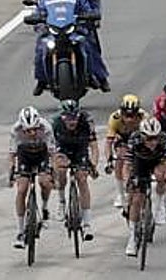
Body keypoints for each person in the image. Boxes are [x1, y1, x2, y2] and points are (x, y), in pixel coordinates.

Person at [30, 0, 95, 96]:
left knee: (88, 45)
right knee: (40, 49)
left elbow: (88, 10)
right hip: (53, 32)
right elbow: (39, 11)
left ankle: (90, 75)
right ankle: (41, 80)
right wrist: (36, 19)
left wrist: (89, 16)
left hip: (74, 31)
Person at [123, 116, 166, 256]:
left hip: (158, 161)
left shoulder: (164, 140)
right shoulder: (134, 139)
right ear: (142, 136)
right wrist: (128, 181)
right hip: (140, 163)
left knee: (159, 175)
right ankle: (132, 238)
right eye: (149, 139)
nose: (153, 142)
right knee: (137, 199)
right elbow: (127, 165)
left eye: (155, 138)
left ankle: (160, 205)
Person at [8, 106, 56, 249]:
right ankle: (21, 231)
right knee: (22, 189)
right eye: (28, 131)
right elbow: (12, 154)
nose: (32, 133)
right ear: (22, 128)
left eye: (35, 129)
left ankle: (45, 207)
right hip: (25, 156)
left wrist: (52, 170)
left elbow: (52, 153)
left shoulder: (46, 127)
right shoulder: (15, 130)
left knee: (45, 182)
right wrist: (11, 172)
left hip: (42, 154)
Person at [51, 100, 98, 239]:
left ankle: (87, 223)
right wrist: (54, 166)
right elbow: (49, 149)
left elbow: (94, 146)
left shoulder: (86, 122)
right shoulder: (55, 124)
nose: (72, 121)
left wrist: (93, 165)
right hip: (62, 149)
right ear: (63, 117)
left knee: (82, 179)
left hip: (80, 150)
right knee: (60, 171)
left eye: (75, 117)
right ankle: (61, 202)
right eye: (68, 118)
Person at [64, 0, 108, 91]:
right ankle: (42, 78)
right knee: (43, 46)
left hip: (81, 25)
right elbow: (46, 1)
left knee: (90, 46)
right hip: (60, 24)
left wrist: (94, 17)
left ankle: (100, 77)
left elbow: (95, 5)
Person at [105, 94, 146, 211]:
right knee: (120, 158)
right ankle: (120, 194)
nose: (130, 119)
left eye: (133, 115)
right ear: (121, 112)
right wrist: (109, 160)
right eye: (126, 115)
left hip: (139, 138)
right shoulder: (115, 118)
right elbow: (108, 142)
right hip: (122, 138)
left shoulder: (144, 117)